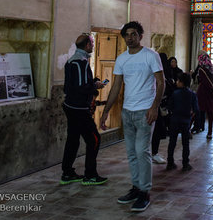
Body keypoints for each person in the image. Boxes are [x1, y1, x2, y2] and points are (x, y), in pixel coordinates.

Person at [100, 21, 165, 212]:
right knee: (131, 153)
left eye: (134, 34)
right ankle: (136, 187)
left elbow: (161, 83)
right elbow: (116, 86)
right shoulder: (121, 59)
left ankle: (145, 192)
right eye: (127, 34)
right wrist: (105, 112)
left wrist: (155, 107)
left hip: (145, 111)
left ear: (140, 36)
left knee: (141, 151)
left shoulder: (150, 56)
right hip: (127, 112)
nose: (130, 37)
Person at [60, 33, 108, 186]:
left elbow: (74, 84)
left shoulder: (72, 61)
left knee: (73, 140)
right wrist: (95, 86)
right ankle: (90, 175)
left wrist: (92, 82)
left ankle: (67, 173)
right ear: (87, 45)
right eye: (92, 43)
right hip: (79, 108)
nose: (93, 46)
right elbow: (81, 87)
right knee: (94, 139)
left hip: (71, 106)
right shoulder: (81, 62)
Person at [166, 72, 199, 171]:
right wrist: (190, 116)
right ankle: (185, 164)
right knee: (186, 143)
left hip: (174, 120)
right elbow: (196, 109)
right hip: (186, 122)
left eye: (178, 80)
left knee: (172, 142)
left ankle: (170, 163)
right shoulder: (192, 94)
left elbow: (169, 106)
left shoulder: (175, 93)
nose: (176, 82)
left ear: (181, 82)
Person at [150, 53, 173, 165]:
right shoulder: (161, 72)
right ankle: (153, 154)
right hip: (155, 106)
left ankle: (152, 153)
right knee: (156, 131)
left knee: (155, 131)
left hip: (154, 105)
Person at [192, 52, 213, 139]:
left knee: (197, 110)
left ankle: (188, 129)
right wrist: (212, 89)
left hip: (202, 91)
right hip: (210, 92)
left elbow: (202, 81)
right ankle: (209, 132)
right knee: (210, 113)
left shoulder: (201, 69)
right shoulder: (212, 69)